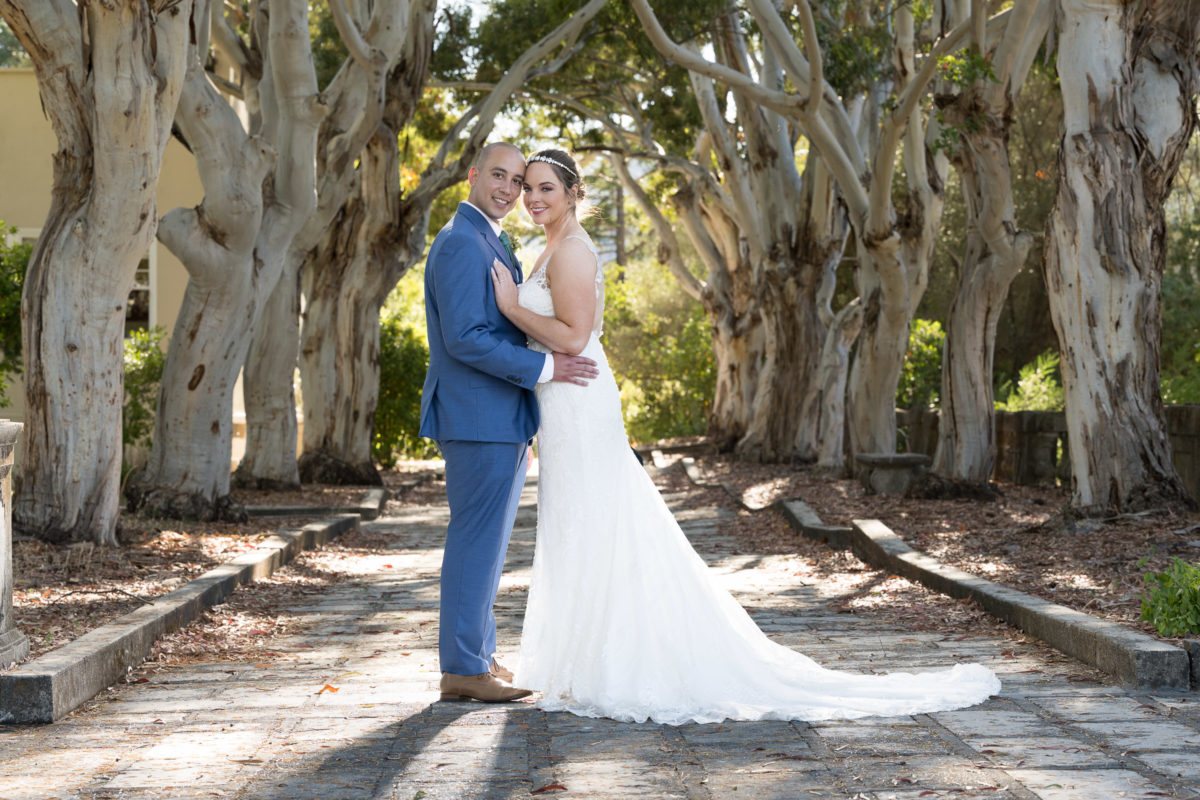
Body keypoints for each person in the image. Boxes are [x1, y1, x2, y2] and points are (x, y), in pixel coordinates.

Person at [489, 148, 1001, 725]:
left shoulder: (575, 252)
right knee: (575, 521)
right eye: (528, 188)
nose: (532, 198)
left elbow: (576, 338)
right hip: (561, 402)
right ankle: (578, 659)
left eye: (545, 189)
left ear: (573, 193)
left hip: (579, 396)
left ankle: (617, 662)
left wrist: (510, 307)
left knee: (597, 519)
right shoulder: (550, 246)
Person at [419, 142, 598, 704]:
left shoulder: (489, 240)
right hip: (478, 417)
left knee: (489, 546)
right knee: (477, 541)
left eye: (517, 180)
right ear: (473, 176)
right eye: (499, 175)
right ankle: (463, 669)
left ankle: (476, 655)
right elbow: (466, 339)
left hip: (501, 415)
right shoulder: (459, 244)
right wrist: (547, 366)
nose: (509, 189)